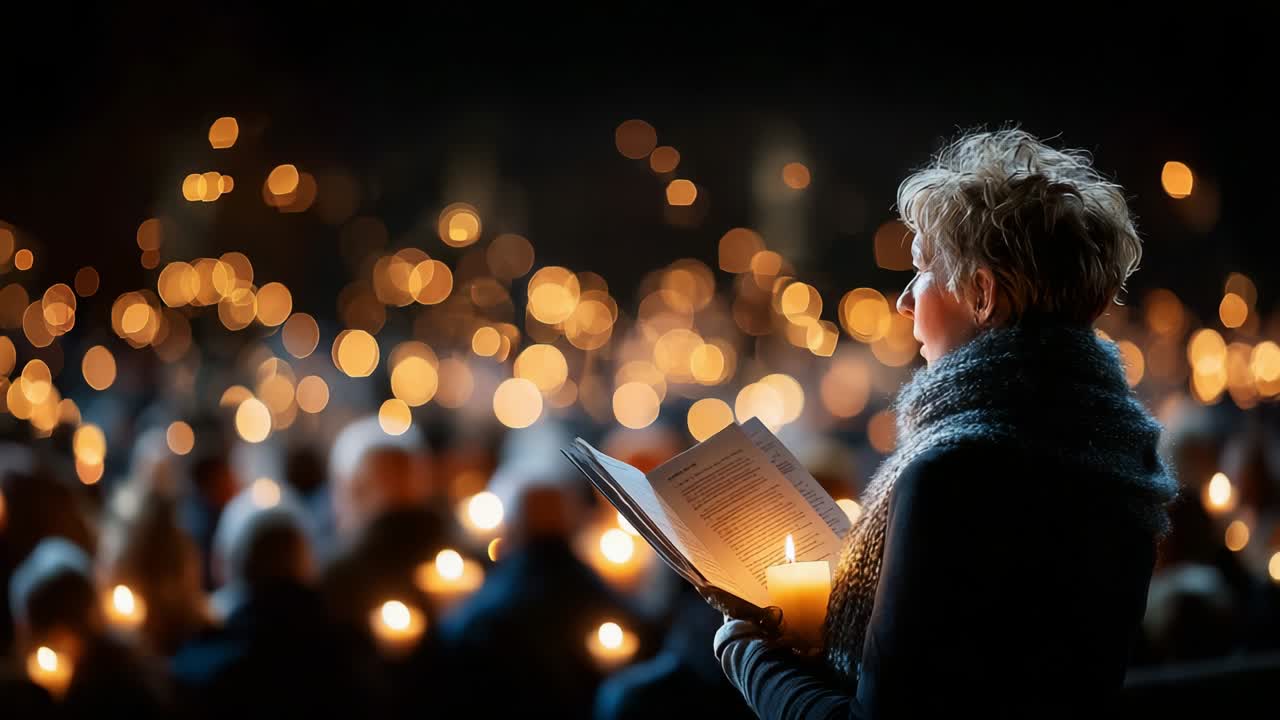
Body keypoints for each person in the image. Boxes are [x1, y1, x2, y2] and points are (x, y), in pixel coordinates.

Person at [711, 129, 1179, 717]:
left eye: (921, 270)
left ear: (981, 293)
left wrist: (748, 657)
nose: (905, 300)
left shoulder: (956, 470)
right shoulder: (1118, 451)